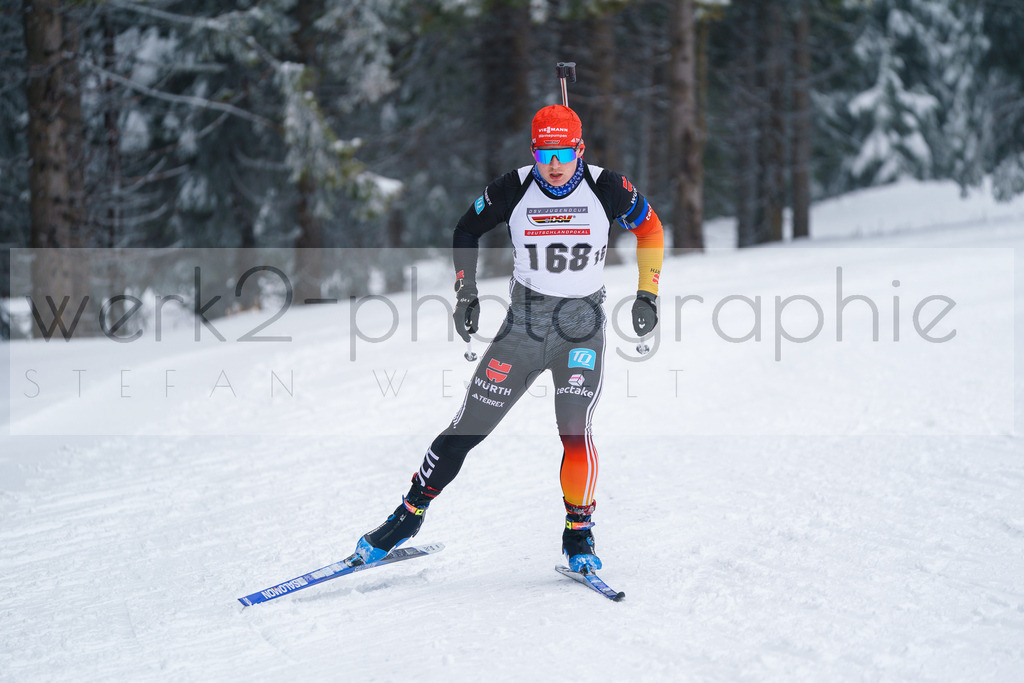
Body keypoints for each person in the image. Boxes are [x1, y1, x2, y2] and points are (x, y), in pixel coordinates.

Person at [347, 104, 664, 573]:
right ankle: (407, 515)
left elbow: (650, 230)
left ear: (579, 149)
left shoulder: (608, 187)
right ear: (532, 151)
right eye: (543, 153)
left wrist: (647, 294)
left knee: (574, 431)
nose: (553, 165)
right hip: (523, 328)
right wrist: (466, 292)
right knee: (466, 429)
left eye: (562, 153)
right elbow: (466, 229)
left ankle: (579, 532)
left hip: (580, 329)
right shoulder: (513, 188)